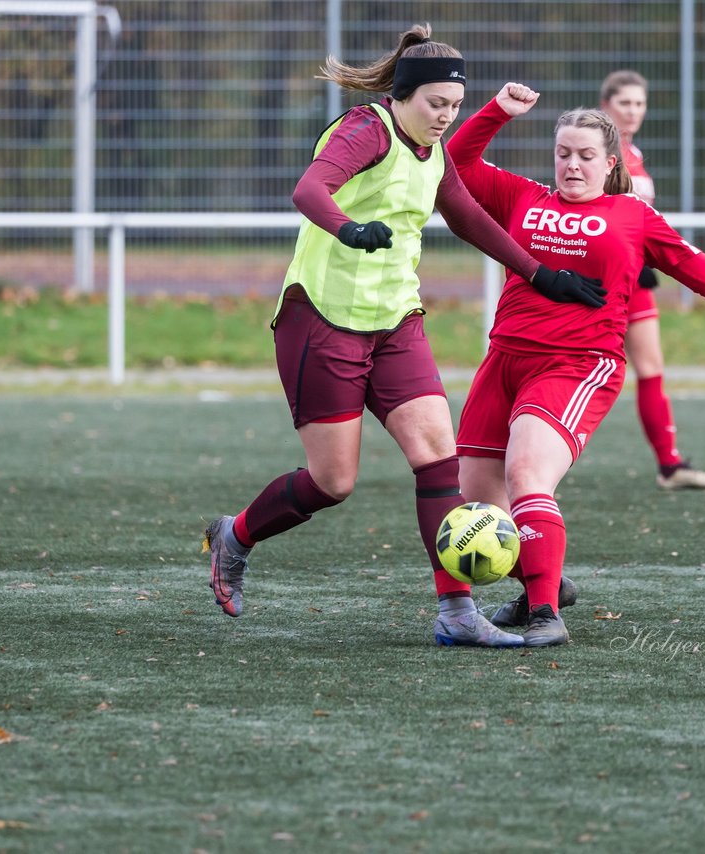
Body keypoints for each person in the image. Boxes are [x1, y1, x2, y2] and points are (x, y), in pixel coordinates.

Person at [201, 25, 606, 648]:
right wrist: (347, 229)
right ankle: (235, 535)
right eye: (435, 104)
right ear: (403, 95)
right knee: (333, 482)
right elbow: (309, 189)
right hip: (323, 319)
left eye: (454, 106)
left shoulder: (431, 150)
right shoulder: (367, 129)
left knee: (438, 458)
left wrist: (539, 272)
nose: (446, 117)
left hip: (396, 323)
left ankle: (456, 612)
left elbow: (467, 214)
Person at [446, 82, 705, 646]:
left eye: (584, 156)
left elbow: (701, 270)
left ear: (610, 162)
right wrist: (497, 111)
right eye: (562, 154)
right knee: (480, 504)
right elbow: (454, 165)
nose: (571, 166)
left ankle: (547, 615)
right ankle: (541, 580)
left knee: (528, 475)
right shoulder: (523, 198)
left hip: (577, 365)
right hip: (503, 359)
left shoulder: (631, 214)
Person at [600, 69, 705, 490]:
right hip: (605, 280)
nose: (633, 111)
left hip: (637, 277)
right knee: (583, 368)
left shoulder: (634, 153)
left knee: (651, 368)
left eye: (639, 104)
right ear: (607, 106)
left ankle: (670, 466)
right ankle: (517, 455)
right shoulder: (599, 152)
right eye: (625, 103)